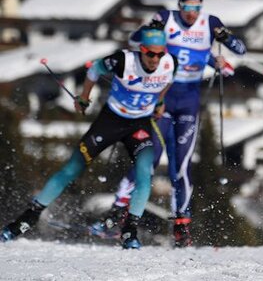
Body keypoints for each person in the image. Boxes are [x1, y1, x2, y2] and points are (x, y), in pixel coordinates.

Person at [92, 0, 246, 247]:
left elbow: (239, 49)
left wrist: (221, 50)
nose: (191, 12)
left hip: (188, 102)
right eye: (187, 6)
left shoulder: (210, 23)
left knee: (181, 166)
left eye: (196, 6)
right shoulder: (166, 18)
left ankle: (181, 226)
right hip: (161, 99)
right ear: (179, 4)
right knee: (149, 160)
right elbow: (136, 40)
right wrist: (150, 29)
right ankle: (116, 214)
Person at [1, 28, 176, 249]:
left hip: (139, 125)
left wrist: (159, 103)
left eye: (160, 54)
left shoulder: (170, 63)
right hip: (111, 121)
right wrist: (84, 97)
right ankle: (28, 218)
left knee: (144, 174)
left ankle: (130, 230)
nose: (156, 59)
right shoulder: (123, 60)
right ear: (141, 50)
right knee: (72, 168)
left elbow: (167, 81)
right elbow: (94, 70)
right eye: (151, 54)